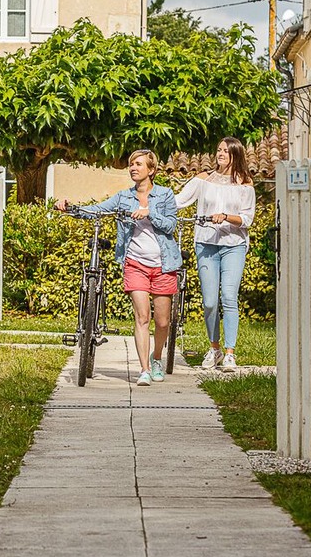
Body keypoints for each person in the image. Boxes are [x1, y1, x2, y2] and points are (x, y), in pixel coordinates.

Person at [55, 149, 181, 386]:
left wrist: (149, 213)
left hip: (164, 265)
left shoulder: (164, 195)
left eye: (139, 164)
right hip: (135, 263)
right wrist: (71, 208)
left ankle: (156, 358)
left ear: (151, 170)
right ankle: (144, 370)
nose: (133, 168)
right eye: (131, 164)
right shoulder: (123, 197)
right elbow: (98, 210)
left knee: (163, 322)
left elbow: (171, 225)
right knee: (142, 317)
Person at [175, 137, 257, 371]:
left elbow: (247, 219)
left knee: (229, 297)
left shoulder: (245, 184)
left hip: (234, 245)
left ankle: (230, 352)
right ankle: (215, 349)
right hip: (206, 244)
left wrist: (225, 216)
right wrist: (148, 203)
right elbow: (179, 201)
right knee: (210, 301)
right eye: (218, 149)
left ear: (235, 154)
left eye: (225, 151)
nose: (220, 154)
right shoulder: (203, 180)